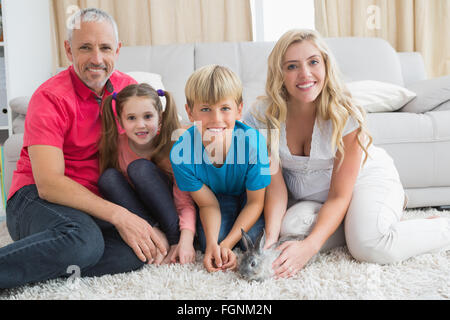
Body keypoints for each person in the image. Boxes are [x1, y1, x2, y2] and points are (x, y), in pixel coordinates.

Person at [243, 29, 450, 279]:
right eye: (292, 66)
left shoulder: (344, 113)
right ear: (280, 73)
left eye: (313, 62)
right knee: (290, 229)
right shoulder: (264, 117)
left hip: (364, 181)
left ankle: (438, 226)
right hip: (318, 197)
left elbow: (339, 195)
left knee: (369, 246)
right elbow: (275, 190)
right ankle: (364, 222)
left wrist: (309, 247)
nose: (305, 74)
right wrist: (270, 243)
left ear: (326, 65)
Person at [0, 8, 166, 289]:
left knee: (136, 251)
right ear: (69, 50)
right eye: (85, 48)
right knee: (83, 240)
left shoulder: (129, 90)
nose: (97, 59)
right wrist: (120, 215)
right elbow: (49, 185)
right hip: (35, 200)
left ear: (118, 49)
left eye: (105, 48)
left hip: (93, 205)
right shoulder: (50, 97)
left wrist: (153, 225)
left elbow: (148, 158)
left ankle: (47, 260)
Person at [170, 65, 271, 272]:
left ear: (239, 110)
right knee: (210, 242)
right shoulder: (181, 153)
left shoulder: (253, 144)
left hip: (248, 196)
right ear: (189, 112)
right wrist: (213, 246)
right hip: (215, 199)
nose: (216, 119)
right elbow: (208, 205)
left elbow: (255, 202)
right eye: (206, 109)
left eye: (225, 108)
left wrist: (226, 244)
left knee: (249, 241)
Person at [98, 83, 196, 265]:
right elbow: (120, 195)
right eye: (131, 118)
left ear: (160, 119)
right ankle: (154, 234)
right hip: (146, 215)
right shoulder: (117, 146)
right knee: (108, 178)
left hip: (176, 213)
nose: (140, 125)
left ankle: (172, 238)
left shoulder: (175, 145)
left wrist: (184, 239)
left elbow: (186, 201)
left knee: (140, 169)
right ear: (120, 121)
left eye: (148, 116)